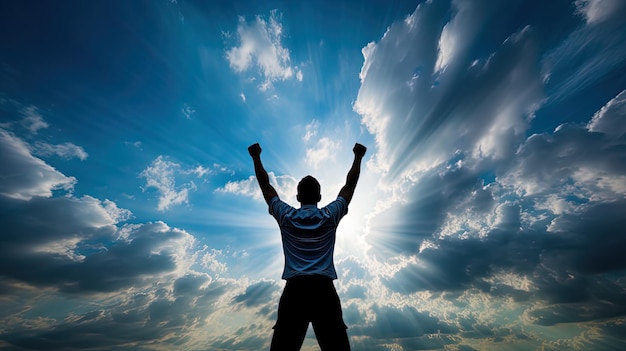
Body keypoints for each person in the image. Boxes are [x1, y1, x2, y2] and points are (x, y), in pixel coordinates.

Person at [248, 142, 366, 351]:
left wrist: (256, 157)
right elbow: (349, 186)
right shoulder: (329, 216)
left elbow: (266, 187)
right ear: (319, 198)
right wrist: (358, 157)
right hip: (323, 291)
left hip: (295, 291)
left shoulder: (286, 216)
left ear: (298, 197)